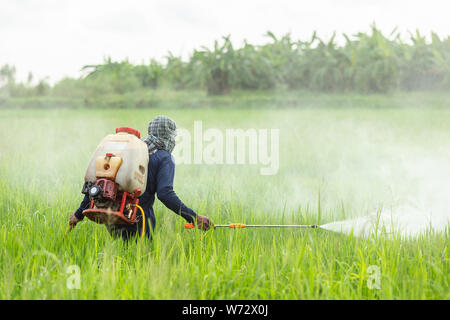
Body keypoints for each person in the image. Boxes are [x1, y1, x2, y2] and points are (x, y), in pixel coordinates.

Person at [68, 115, 214, 240]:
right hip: (139, 217)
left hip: (114, 215)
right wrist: (193, 217)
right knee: (140, 261)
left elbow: (99, 182)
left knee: (121, 260)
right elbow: (165, 193)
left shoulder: (131, 151)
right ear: (167, 134)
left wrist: (78, 214)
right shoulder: (164, 157)